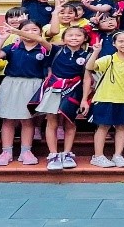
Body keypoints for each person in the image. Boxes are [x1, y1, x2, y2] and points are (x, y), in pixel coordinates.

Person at [81, 30, 124, 168]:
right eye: (121, 41)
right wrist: (96, 52)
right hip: (105, 98)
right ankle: (98, 156)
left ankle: (118, 155)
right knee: (103, 127)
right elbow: (90, 67)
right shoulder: (108, 59)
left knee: (122, 126)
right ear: (114, 44)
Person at [0, 20, 48, 166]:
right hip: (11, 84)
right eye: (26, 30)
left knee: (28, 120)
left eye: (34, 29)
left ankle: (26, 151)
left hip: (33, 85)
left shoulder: (44, 49)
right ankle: (6, 152)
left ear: (40, 32)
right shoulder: (13, 47)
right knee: (8, 119)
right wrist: (1, 39)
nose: (30, 33)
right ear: (19, 33)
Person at [37, 26, 93, 171]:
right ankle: (53, 154)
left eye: (78, 35)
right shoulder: (56, 50)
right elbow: (39, 39)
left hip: (74, 91)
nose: (74, 38)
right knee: (52, 122)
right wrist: (16, 31)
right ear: (63, 39)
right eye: (70, 35)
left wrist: (84, 99)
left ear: (85, 38)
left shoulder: (88, 55)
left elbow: (87, 78)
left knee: (70, 123)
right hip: (54, 89)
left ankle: (67, 153)